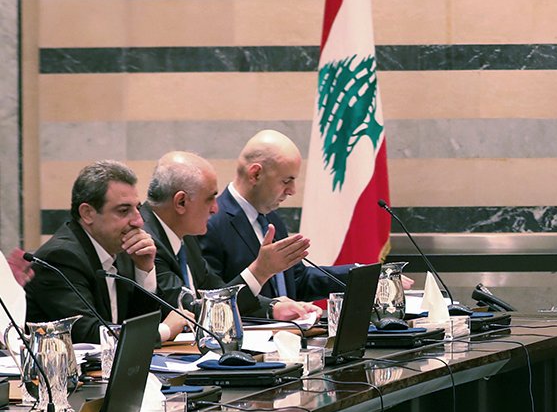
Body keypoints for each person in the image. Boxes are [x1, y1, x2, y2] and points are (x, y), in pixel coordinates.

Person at [142, 151, 312, 327]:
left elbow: (216, 292)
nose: (216, 208)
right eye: (210, 199)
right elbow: (191, 313)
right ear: (181, 202)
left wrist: (272, 308)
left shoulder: (186, 236)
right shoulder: (147, 243)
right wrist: (260, 271)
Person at [25, 161, 167, 343]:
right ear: (87, 213)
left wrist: (144, 269)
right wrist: (164, 330)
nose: (138, 221)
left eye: (137, 209)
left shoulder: (122, 250)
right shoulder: (59, 258)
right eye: (124, 211)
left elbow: (136, 323)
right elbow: (90, 334)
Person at [201, 129, 340, 302]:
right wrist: (271, 305)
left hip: (290, 330)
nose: (292, 190)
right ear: (255, 174)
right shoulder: (210, 223)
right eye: (286, 181)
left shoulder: (271, 219)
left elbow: (298, 281)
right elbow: (212, 301)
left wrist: (360, 274)